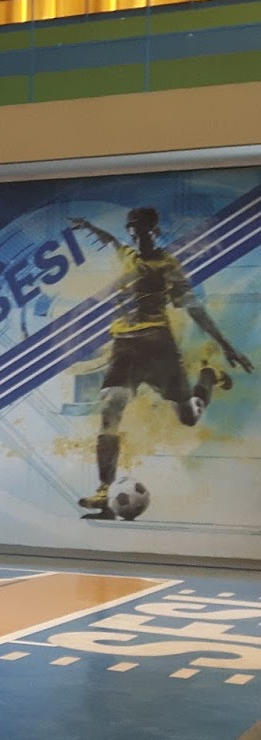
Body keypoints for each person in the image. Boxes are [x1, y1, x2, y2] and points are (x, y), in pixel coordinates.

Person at [68, 207, 253, 518]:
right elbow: (110, 240)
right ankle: (104, 490)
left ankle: (208, 376)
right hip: (125, 347)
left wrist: (226, 345)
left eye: (144, 231)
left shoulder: (167, 264)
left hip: (158, 348)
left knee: (188, 417)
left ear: (155, 232)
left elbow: (193, 306)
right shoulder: (125, 255)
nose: (138, 236)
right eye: (133, 231)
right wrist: (88, 226)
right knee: (111, 409)